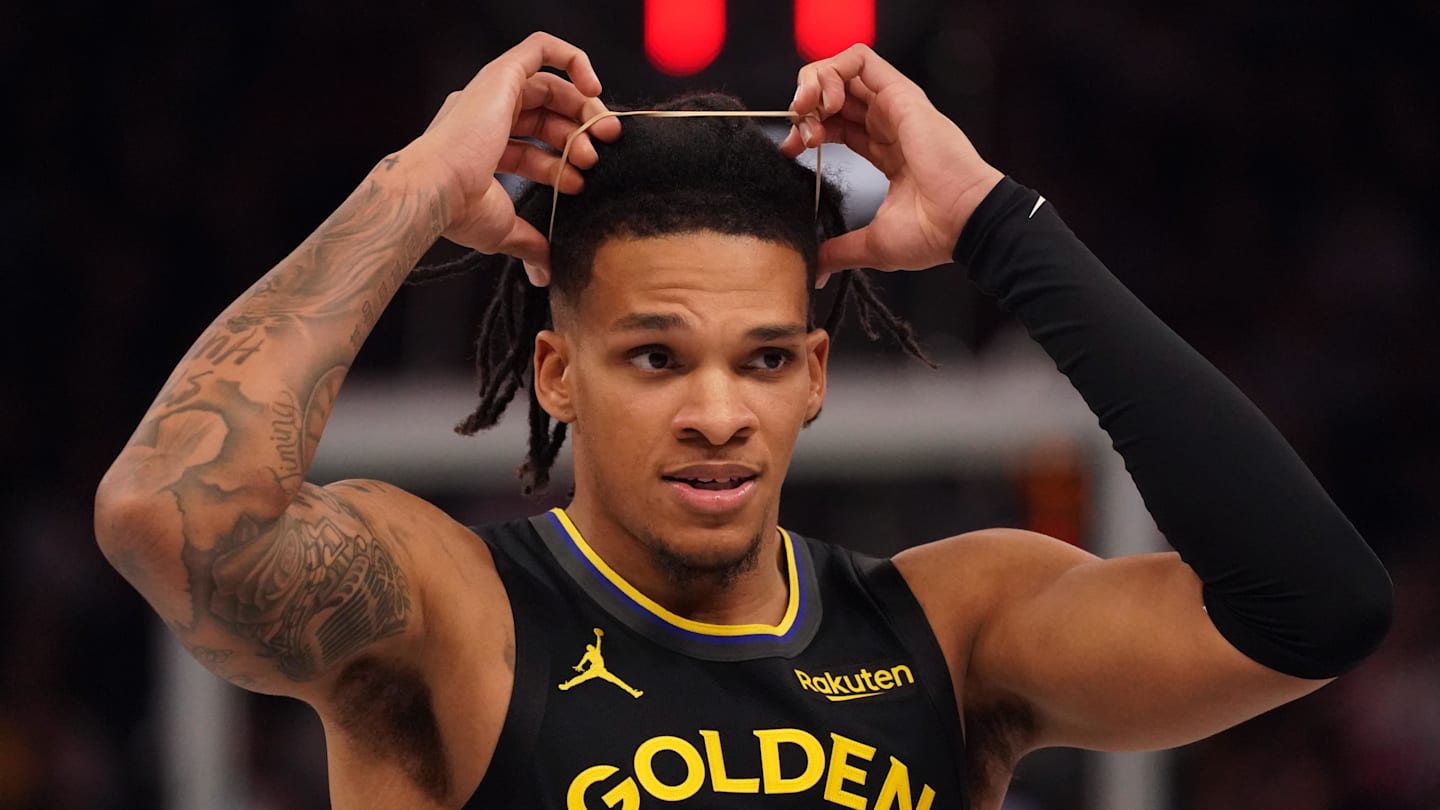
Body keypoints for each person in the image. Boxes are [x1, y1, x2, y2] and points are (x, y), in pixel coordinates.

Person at [94, 31, 1392, 810]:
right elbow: (170, 513)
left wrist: (999, 225)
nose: (718, 412)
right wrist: (418, 183)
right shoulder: (457, 615)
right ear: (556, 372)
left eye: (763, 358)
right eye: (656, 357)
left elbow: (1316, 608)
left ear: (813, 376)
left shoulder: (953, 631)